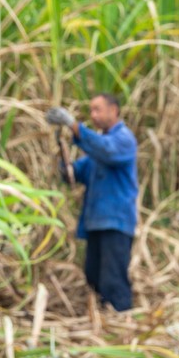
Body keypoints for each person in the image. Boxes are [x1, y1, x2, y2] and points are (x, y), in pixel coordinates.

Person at [46, 94, 138, 312]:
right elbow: (78, 172)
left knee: (113, 277)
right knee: (93, 274)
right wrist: (65, 167)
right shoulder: (98, 149)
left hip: (116, 221)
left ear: (114, 110)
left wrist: (73, 125)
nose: (93, 115)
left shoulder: (123, 139)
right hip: (96, 221)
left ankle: (122, 319)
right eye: (91, 111)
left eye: (98, 110)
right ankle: (105, 318)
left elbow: (106, 150)